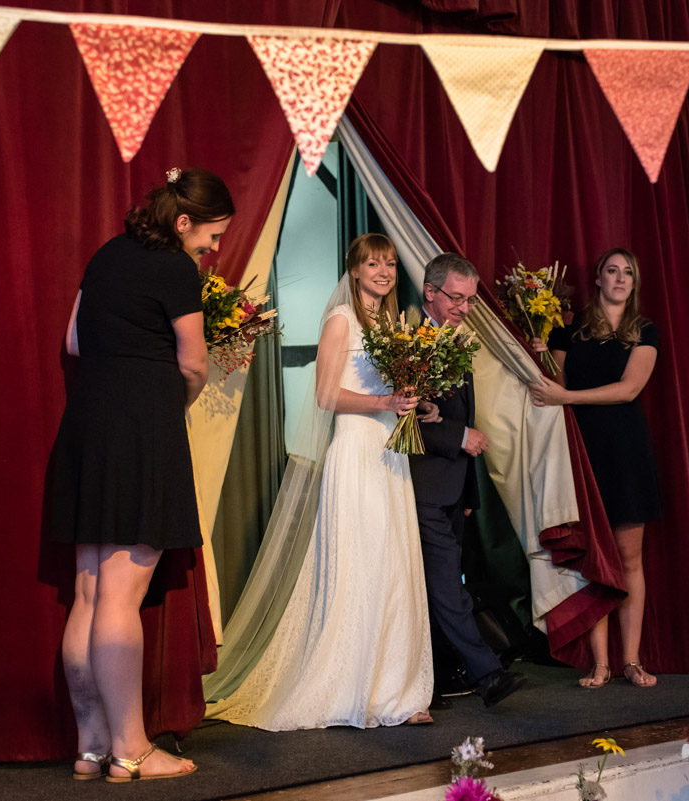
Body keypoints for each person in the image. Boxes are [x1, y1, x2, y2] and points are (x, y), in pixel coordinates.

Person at [46, 166, 234, 782]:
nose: (213, 248)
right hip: (140, 435)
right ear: (184, 222)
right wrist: (176, 393)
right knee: (122, 596)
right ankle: (132, 749)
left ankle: (92, 747)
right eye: (211, 235)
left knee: (91, 592)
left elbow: (74, 340)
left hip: (86, 430)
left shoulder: (105, 255)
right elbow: (194, 363)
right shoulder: (177, 269)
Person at [208, 233, 436, 729]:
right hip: (355, 452)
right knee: (363, 566)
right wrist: (384, 404)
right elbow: (327, 395)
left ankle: (394, 691)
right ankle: (352, 689)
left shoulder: (395, 325)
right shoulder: (342, 320)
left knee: (393, 567)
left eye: (391, 264)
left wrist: (414, 399)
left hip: (391, 457)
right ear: (354, 270)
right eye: (373, 264)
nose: (383, 271)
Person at [528, 248, 662, 689]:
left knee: (629, 560)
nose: (620, 279)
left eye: (628, 272)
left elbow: (628, 391)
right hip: (581, 453)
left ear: (633, 283)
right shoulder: (568, 333)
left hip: (625, 453)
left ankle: (632, 660)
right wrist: (542, 356)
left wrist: (567, 398)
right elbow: (556, 387)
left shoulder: (644, 331)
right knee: (593, 560)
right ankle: (601, 663)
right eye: (612, 271)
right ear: (599, 280)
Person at [411, 252, 528, 707]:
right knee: (445, 584)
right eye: (456, 298)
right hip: (422, 485)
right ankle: (487, 674)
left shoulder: (456, 339)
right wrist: (459, 435)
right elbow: (404, 417)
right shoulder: (410, 340)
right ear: (430, 292)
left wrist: (467, 493)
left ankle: (435, 681)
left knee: (438, 586)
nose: (463, 308)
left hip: (452, 488)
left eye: (471, 300)